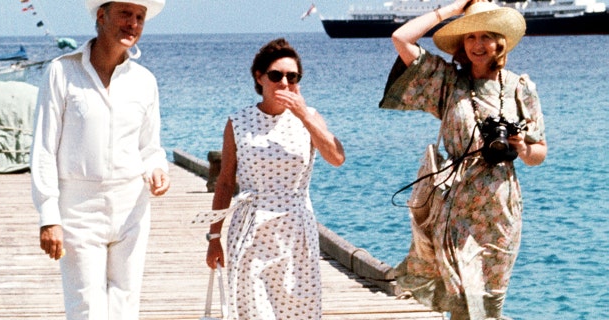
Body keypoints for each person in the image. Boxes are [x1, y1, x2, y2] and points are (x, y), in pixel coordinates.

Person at [380, 0, 547, 319]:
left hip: (501, 213)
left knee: (490, 304)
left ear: (501, 41)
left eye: (486, 36)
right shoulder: (446, 83)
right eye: (470, 36)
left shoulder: (519, 88)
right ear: (461, 43)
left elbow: (539, 152)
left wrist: (521, 148)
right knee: (461, 303)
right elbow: (401, 38)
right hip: (456, 210)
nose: (478, 44)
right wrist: (452, 9)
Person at [30, 1, 170, 319]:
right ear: (101, 16)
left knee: (125, 305)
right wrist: (49, 216)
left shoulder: (144, 81)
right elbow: (43, 149)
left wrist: (158, 169)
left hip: (132, 207)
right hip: (78, 209)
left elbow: (150, 147)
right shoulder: (61, 72)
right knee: (86, 308)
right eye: (125, 14)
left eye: (140, 17)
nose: (133, 23)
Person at [203, 38, 345, 319]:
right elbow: (225, 182)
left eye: (292, 77)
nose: (284, 83)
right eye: (276, 75)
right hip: (250, 229)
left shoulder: (310, 118)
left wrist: (303, 114)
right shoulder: (238, 121)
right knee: (253, 312)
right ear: (260, 77)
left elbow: (337, 157)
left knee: (299, 312)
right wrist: (214, 236)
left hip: (296, 233)